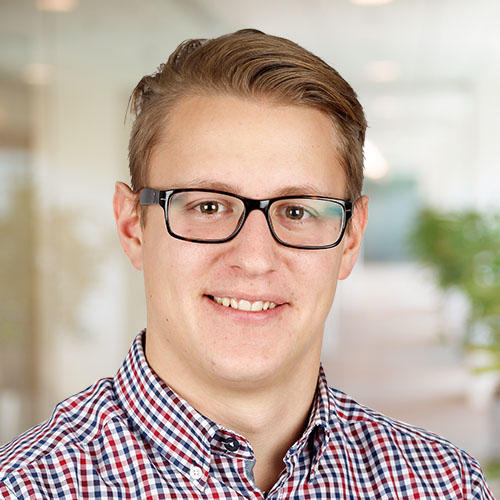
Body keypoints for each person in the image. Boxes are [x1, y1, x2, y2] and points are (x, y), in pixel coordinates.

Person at [0, 29, 494, 499]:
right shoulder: (24, 488)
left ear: (351, 239)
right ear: (133, 227)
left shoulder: (445, 485)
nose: (254, 259)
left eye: (296, 212)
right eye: (208, 206)